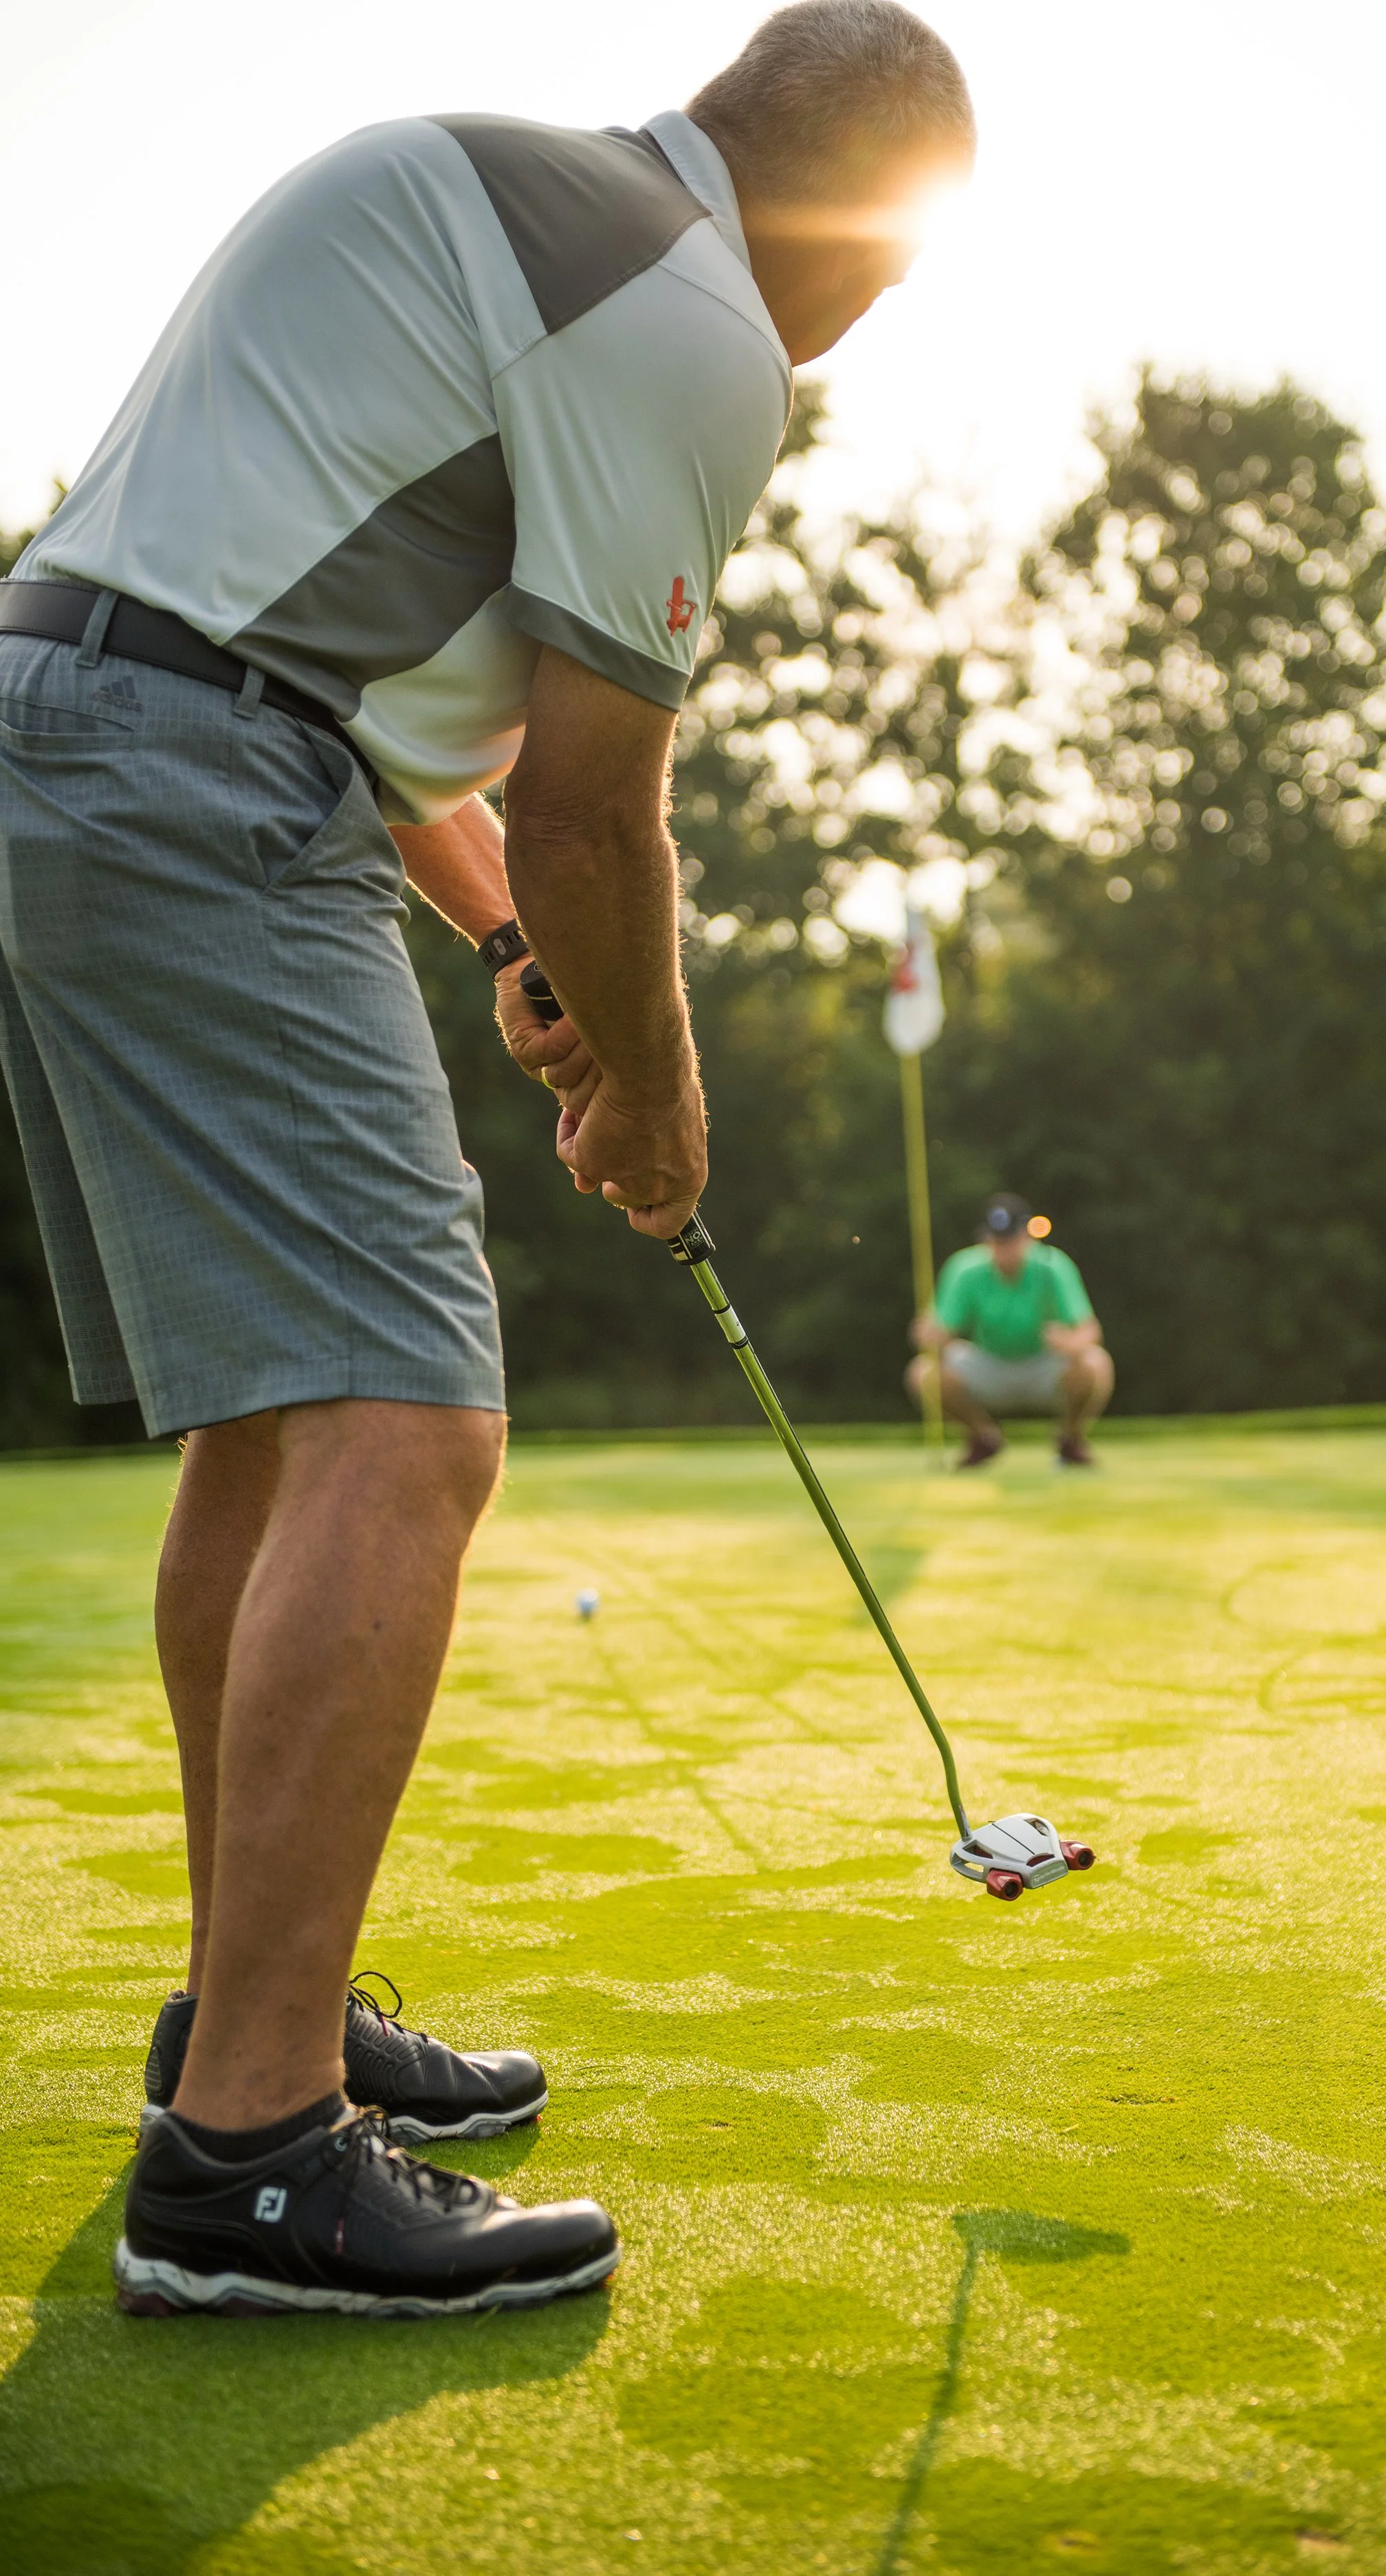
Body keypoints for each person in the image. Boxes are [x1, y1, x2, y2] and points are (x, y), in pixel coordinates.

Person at [0, 1, 974, 2320]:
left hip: (94, 742)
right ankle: (248, 2151)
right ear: (860, 231)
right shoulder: (696, 316)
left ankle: (268, 2004)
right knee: (414, 1421)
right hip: (203, 794)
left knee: (277, 1419)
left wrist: (515, 950)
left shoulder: (485, 175)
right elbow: (592, 786)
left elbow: (369, 704)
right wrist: (650, 1087)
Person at [910, 1194, 1113, 1468]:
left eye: (1011, 1239)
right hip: (988, 1363)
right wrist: (931, 1335)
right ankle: (983, 1437)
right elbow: (940, 1330)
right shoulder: (964, 1268)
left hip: (1044, 1364)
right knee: (923, 1372)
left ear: (1028, 1237)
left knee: (1096, 1363)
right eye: (996, 1241)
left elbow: (1090, 1330)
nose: (1003, 1248)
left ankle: (1070, 1440)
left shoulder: (1052, 1266)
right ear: (985, 1240)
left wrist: (1071, 1343)